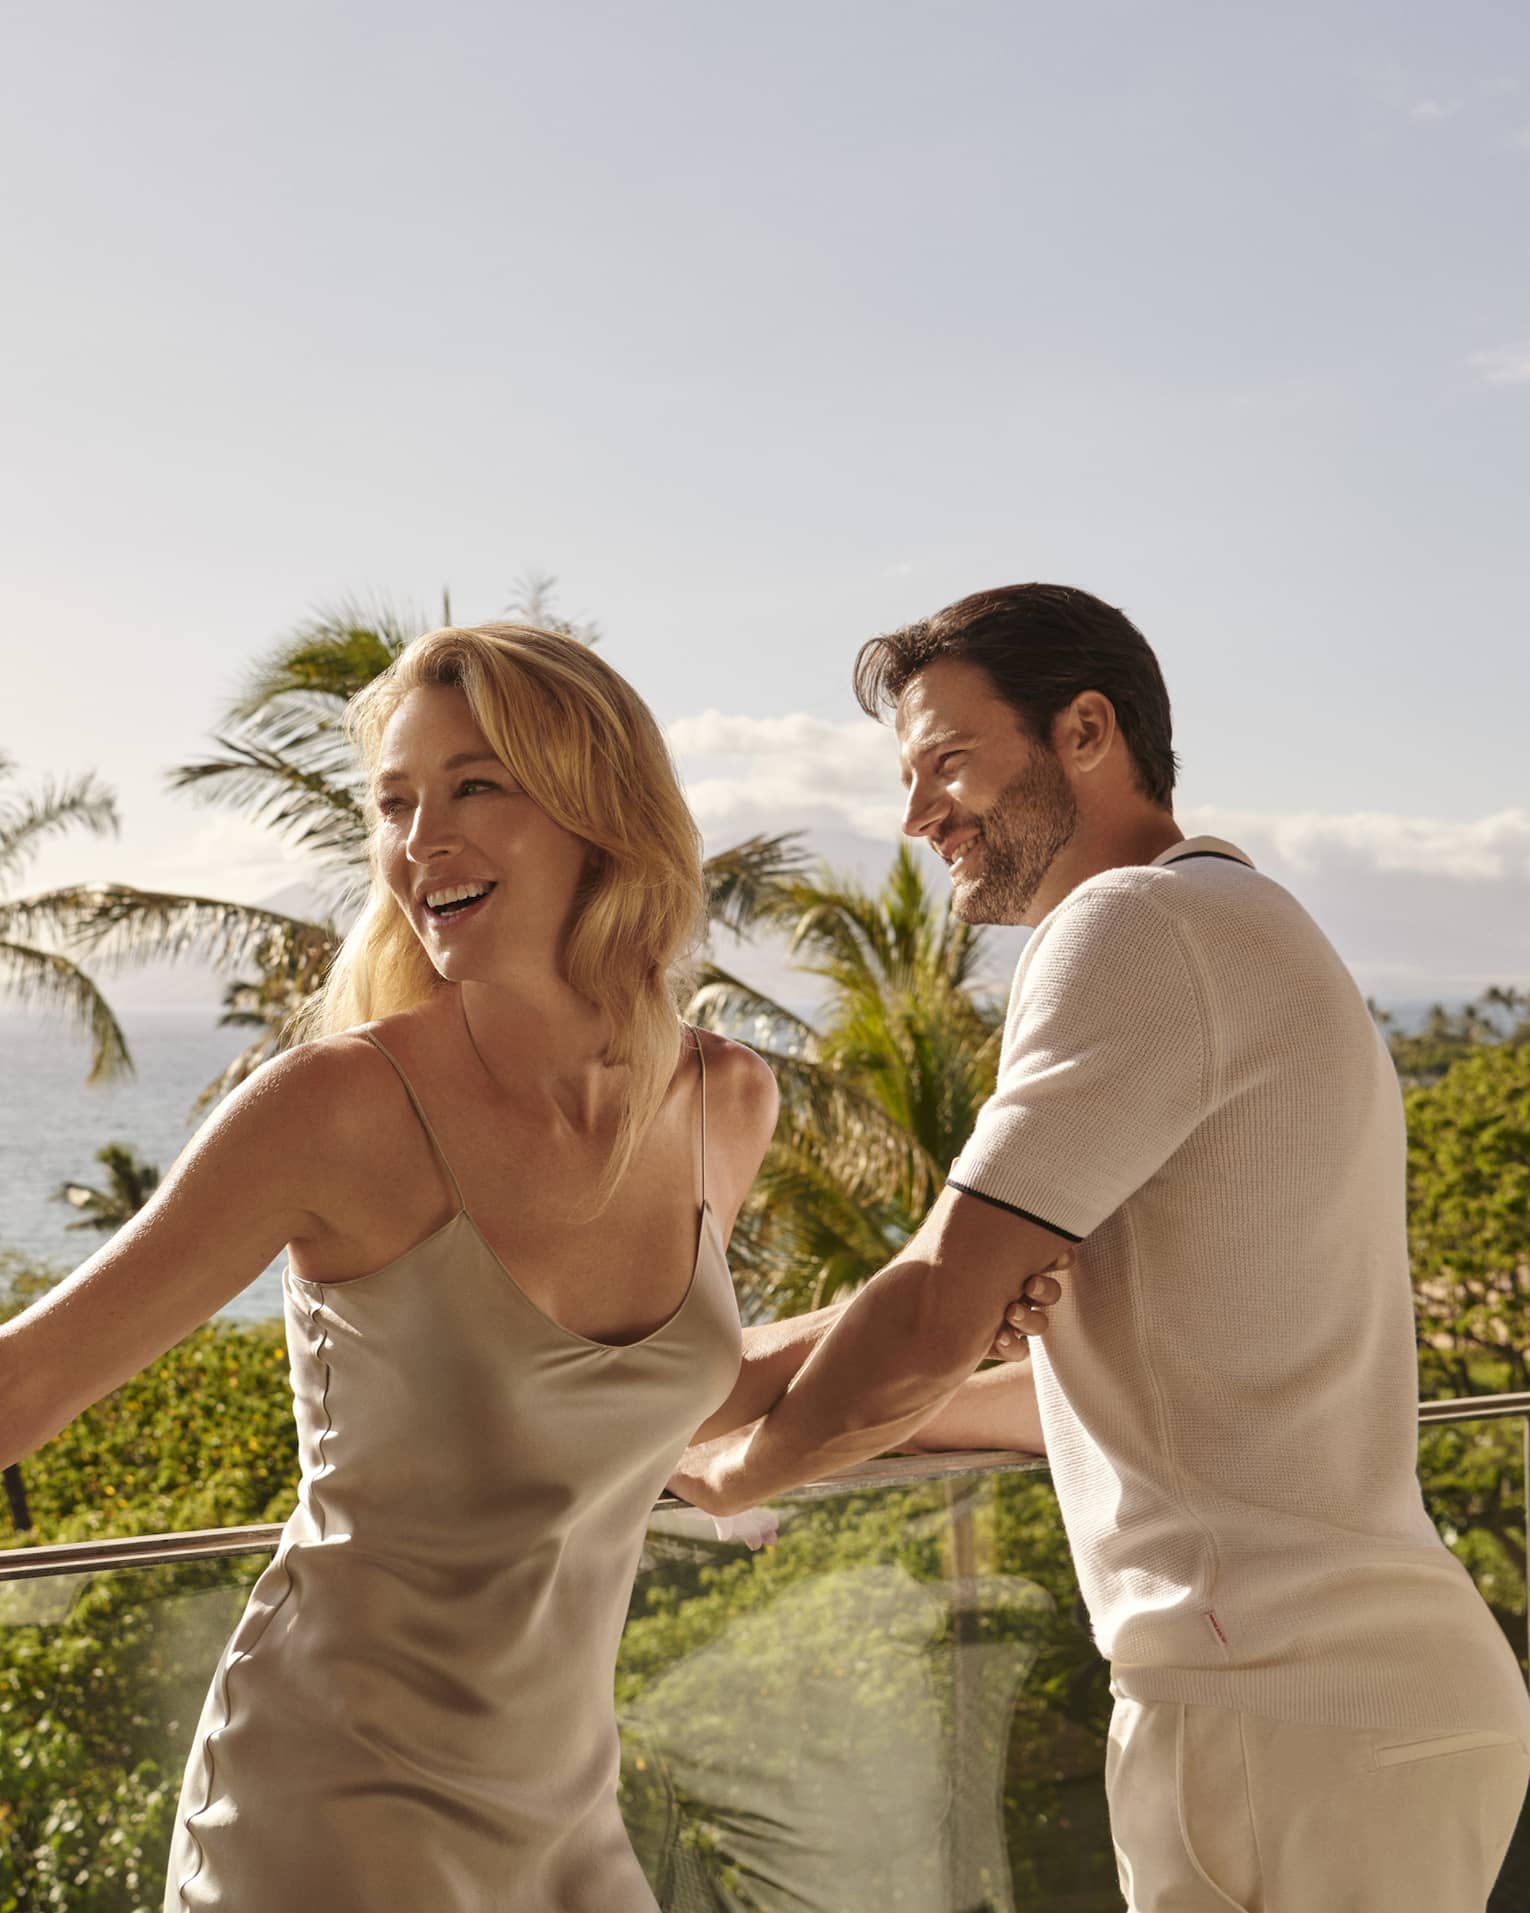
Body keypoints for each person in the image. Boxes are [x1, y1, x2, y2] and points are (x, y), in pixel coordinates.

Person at [0, 621, 1059, 1913]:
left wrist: (958, 1314)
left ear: (596, 811)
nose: (420, 839)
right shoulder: (339, 1107)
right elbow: (27, 1384)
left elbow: (650, 1396)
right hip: (332, 1802)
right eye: (394, 802)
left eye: (476, 786)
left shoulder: (722, 1100)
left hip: (565, 1816)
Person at [672, 583, 1530, 1913]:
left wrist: (737, 1468)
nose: (916, 819)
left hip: (1271, 1704)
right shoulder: (1238, 922)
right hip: (1349, 1697)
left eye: (947, 762)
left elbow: (932, 1304)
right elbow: (1084, 1386)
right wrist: (697, 1388)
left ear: (1085, 729)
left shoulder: (1132, 928)